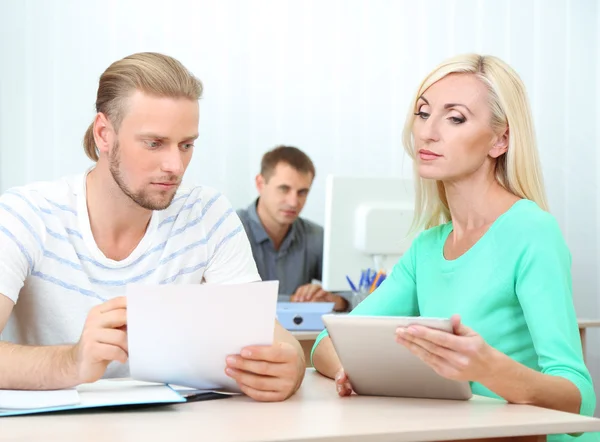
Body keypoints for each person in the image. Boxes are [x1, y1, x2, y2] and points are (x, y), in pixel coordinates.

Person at [311, 53, 596, 440]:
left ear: (500, 140)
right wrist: (358, 370)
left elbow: (578, 396)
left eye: (455, 118)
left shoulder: (532, 232)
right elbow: (328, 343)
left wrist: (485, 368)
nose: (428, 132)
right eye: (423, 113)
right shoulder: (427, 248)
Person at [0, 52, 305, 402]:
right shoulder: (28, 214)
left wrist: (291, 364)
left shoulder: (208, 213)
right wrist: (72, 361)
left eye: (186, 145)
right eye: (154, 144)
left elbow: (274, 338)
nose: (175, 166)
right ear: (104, 134)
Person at [237, 146, 350, 312]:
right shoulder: (231, 230)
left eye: (302, 192)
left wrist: (335, 300)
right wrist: (294, 301)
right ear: (260, 184)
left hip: (300, 337)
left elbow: (357, 290)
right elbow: (230, 296)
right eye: (284, 189)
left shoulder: (315, 236)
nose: (293, 202)